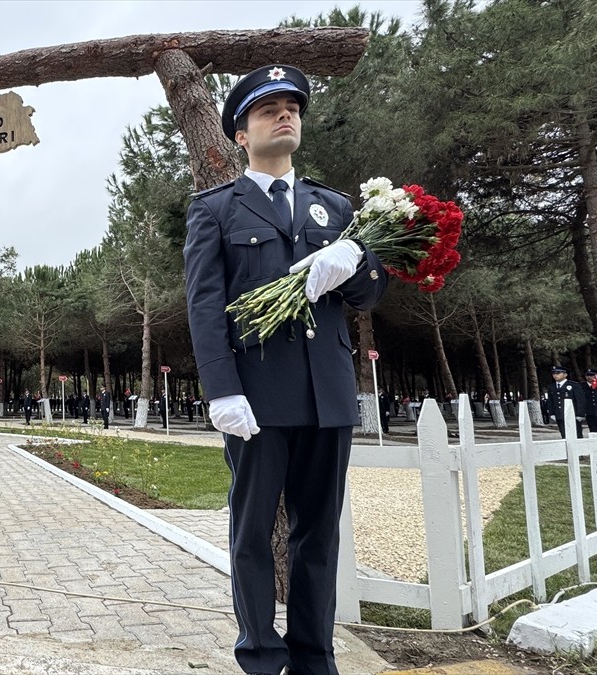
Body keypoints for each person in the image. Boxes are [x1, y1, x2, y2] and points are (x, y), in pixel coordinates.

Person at [183, 64, 388, 675]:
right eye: (269, 107)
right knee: (251, 536)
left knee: (318, 537)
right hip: (255, 401)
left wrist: (357, 261)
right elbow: (204, 305)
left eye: (293, 106)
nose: (285, 114)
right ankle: (261, 658)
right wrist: (221, 389)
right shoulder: (216, 209)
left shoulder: (335, 206)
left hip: (327, 396)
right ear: (240, 134)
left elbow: (367, 298)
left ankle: (313, 659)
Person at [546, 365, 588, 439]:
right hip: (559, 415)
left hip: (573, 414)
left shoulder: (574, 385)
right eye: (554, 373)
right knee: (564, 435)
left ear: (565, 374)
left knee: (576, 435)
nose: (555, 375)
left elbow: (580, 400)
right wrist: (552, 413)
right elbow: (551, 401)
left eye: (558, 373)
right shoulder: (552, 387)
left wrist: (580, 414)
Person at [584, 369, 597, 434]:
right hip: (589, 410)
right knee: (593, 429)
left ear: (596, 376)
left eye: (591, 375)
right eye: (587, 375)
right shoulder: (582, 386)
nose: (589, 377)